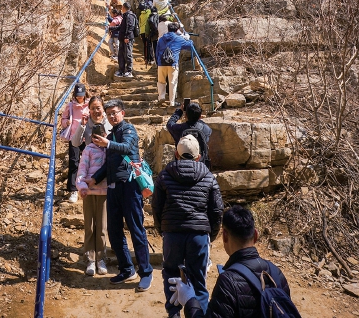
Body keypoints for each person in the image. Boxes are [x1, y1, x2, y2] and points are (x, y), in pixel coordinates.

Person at [169, 205, 294, 318]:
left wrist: (189, 300)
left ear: (225, 236)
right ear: (255, 235)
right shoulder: (277, 273)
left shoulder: (228, 282)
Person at [152, 134, 223, 318]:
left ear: (176, 153)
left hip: (172, 233)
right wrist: (211, 234)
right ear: (198, 156)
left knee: (171, 274)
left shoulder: (165, 174)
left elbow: (157, 206)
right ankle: (199, 313)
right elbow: (216, 210)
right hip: (199, 234)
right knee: (198, 280)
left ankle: (174, 313)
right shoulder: (208, 176)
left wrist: (162, 229)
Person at [89, 99, 153, 291]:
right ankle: (127, 269)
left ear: (123, 113)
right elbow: (109, 165)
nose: (112, 116)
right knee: (114, 231)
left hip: (130, 185)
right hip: (113, 187)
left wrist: (108, 143)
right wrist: (94, 178)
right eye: (109, 114)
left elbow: (126, 148)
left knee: (136, 229)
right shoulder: (111, 134)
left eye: (115, 112)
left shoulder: (129, 130)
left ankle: (146, 272)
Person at [76, 122, 109, 276]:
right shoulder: (88, 150)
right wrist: (82, 186)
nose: (97, 139)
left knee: (102, 228)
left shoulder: (109, 150)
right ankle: (90, 259)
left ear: (105, 135)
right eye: (94, 137)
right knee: (89, 226)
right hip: (89, 192)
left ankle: (101, 258)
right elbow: (82, 169)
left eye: (100, 136)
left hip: (104, 193)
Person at [61, 83, 90, 203]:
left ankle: (88, 185)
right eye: (78, 95)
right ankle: (73, 190)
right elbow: (63, 119)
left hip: (87, 137)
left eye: (81, 95)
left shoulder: (90, 104)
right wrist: (67, 122)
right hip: (74, 136)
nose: (80, 97)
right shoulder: (70, 105)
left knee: (89, 161)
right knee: (74, 162)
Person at [156, 22, 194, 106]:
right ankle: (172, 102)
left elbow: (157, 51)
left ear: (168, 29)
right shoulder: (178, 39)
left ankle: (161, 97)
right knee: (172, 82)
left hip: (161, 63)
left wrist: (158, 62)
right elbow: (190, 46)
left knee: (161, 81)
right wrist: (187, 37)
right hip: (173, 63)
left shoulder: (161, 39)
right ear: (177, 30)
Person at [167, 102, 212, 169]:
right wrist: (197, 118)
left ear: (185, 116)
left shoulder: (179, 129)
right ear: (200, 117)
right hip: (200, 165)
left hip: (180, 166)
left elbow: (170, 124)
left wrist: (179, 112)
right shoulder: (206, 129)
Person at [116, 2, 137, 78]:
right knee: (121, 54)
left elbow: (130, 27)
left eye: (122, 8)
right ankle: (121, 70)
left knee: (128, 54)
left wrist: (127, 37)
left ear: (124, 8)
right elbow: (122, 27)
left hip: (127, 38)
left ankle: (129, 71)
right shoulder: (125, 15)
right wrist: (112, 28)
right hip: (122, 38)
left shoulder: (130, 16)